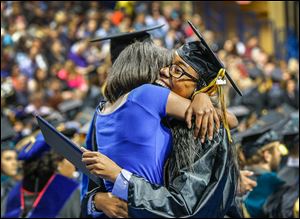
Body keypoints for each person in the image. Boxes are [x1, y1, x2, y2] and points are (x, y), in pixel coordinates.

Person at [81, 22, 243, 218]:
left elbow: (185, 207)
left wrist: (121, 178)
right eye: (168, 65)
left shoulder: (205, 129)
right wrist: (96, 201)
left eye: (177, 70)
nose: (164, 71)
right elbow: (92, 185)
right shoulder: (127, 112)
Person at [3, 132, 81, 218]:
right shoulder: (70, 190)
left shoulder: (15, 191)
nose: (74, 164)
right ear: (58, 164)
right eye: (70, 158)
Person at [238, 125, 287, 218]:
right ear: (267, 155)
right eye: (277, 149)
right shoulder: (271, 180)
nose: (280, 154)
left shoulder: (239, 178)